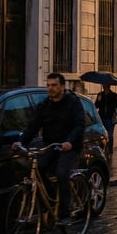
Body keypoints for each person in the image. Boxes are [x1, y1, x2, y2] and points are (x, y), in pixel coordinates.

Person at [14, 73, 85, 226]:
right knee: (38, 168)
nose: (50, 88)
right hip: (51, 145)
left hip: (69, 147)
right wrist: (21, 142)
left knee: (61, 173)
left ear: (62, 87)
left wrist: (70, 142)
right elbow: (33, 126)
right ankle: (53, 199)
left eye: (54, 85)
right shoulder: (44, 106)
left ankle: (65, 214)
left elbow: (80, 124)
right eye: (48, 85)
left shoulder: (73, 103)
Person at [95, 83, 117, 156]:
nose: (104, 87)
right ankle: (103, 149)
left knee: (110, 135)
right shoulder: (100, 95)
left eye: (106, 86)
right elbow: (96, 106)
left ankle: (110, 150)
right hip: (102, 118)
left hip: (110, 118)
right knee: (102, 135)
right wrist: (98, 100)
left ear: (108, 86)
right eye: (104, 86)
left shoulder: (114, 95)